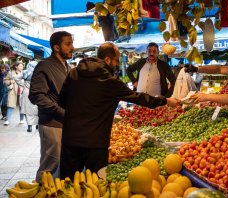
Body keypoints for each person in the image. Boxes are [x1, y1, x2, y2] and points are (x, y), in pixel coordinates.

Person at [58, 42, 179, 179]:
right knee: (96, 184)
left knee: (66, 184)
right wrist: (165, 100)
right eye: (116, 61)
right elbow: (137, 97)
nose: (116, 65)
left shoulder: (73, 73)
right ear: (107, 60)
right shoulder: (109, 81)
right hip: (95, 143)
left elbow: (61, 101)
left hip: (70, 139)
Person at [29, 31, 74, 182]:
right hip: (52, 124)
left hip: (66, 124)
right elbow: (36, 95)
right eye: (68, 44)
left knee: (62, 166)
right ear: (56, 47)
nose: (72, 47)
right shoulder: (44, 65)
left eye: (72, 43)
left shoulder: (67, 67)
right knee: (50, 166)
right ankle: (40, 191)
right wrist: (61, 112)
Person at [21, 61, 39, 132]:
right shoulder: (38, 73)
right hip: (37, 92)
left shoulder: (25, 72)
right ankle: (37, 125)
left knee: (28, 111)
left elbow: (16, 77)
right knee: (37, 109)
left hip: (27, 92)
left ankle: (29, 127)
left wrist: (22, 84)